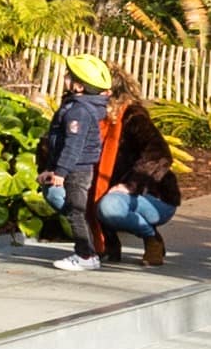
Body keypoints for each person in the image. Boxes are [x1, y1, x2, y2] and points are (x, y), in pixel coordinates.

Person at [42, 53, 183, 269]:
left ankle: (151, 237)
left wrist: (130, 185)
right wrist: (51, 169)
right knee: (56, 193)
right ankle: (98, 247)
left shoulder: (132, 116)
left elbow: (159, 154)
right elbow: (53, 142)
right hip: (97, 188)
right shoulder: (77, 111)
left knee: (110, 206)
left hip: (150, 196)